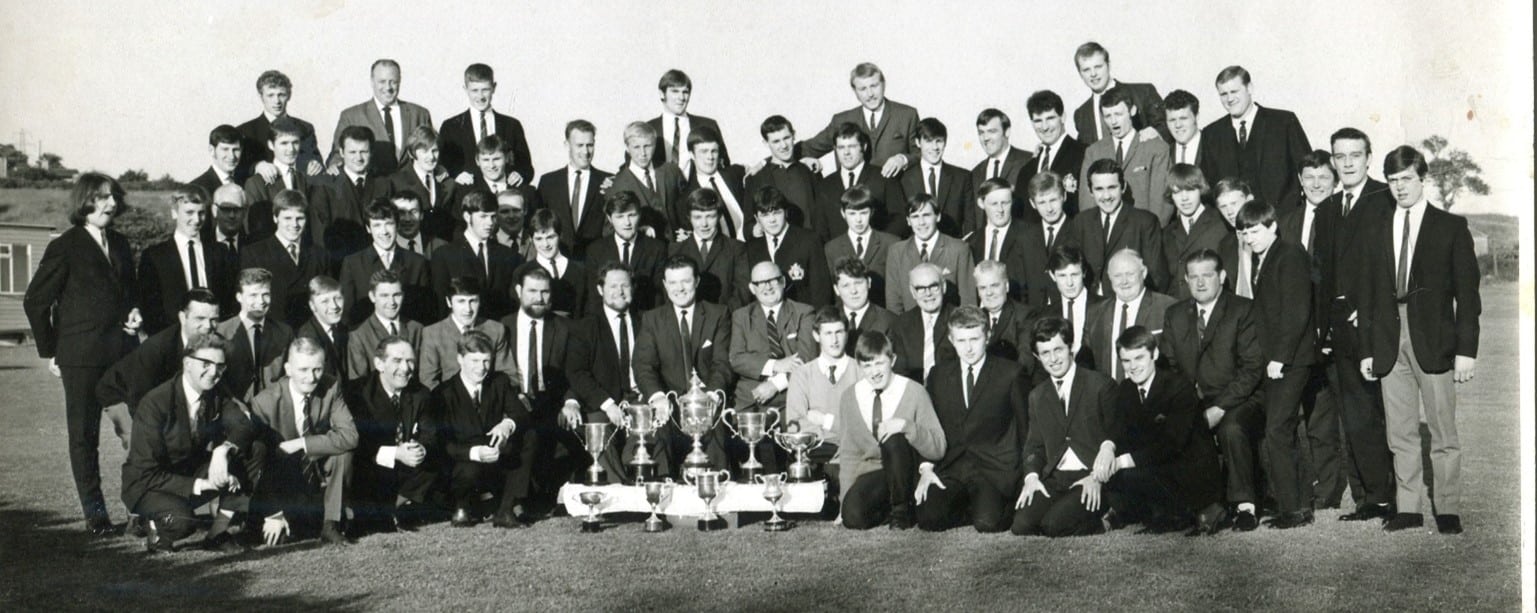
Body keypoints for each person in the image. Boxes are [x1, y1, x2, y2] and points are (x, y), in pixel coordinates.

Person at [1355, 146, 1480, 535]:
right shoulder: (1377, 228)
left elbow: (1468, 295)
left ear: (1421, 178)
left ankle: (1447, 507)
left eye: (1406, 179)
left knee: (1443, 430)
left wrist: (1466, 351)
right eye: (1392, 181)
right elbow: (1369, 294)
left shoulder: (1451, 227)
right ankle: (1408, 507)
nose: (1399, 188)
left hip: (1436, 339)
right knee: (1400, 430)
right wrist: (1366, 350)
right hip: (1389, 340)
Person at [23, 173, 141, 535]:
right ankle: (96, 517)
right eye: (102, 198)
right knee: (84, 438)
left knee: (137, 431)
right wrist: (52, 351)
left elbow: (129, 293)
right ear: (84, 202)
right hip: (80, 358)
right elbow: (35, 301)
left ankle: (141, 512)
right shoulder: (66, 245)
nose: (110, 204)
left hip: (121, 355)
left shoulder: (120, 243)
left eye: (113, 198)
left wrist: (134, 313)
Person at [1161, 249, 1265, 531]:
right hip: (1193, 400)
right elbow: (1168, 367)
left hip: (1239, 398)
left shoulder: (1243, 309)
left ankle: (1245, 506)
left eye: (1207, 275)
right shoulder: (1175, 314)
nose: (1200, 283)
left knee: (1231, 428)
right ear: (1186, 280)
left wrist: (1220, 408)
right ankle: (1193, 507)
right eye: (1193, 277)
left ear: (1221, 276)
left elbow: (1252, 368)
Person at [121, 333, 253, 553]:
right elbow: (147, 472)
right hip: (148, 485)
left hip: (187, 472)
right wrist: (203, 485)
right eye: (206, 364)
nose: (214, 372)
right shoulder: (156, 403)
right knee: (184, 522)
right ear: (187, 364)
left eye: (220, 366)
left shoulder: (216, 393)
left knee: (253, 450)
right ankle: (149, 523)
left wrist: (223, 450)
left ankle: (217, 534)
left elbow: (243, 425)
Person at [1326, 128, 1397, 522]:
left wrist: (1365, 308)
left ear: (1369, 157)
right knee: (1353, 413)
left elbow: (1389, 263)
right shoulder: (1331, 207)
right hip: (1339, 326)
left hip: (1371, 321)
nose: (1348, 163)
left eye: (1355, 155)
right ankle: (1369, 496)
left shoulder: (1384, 199)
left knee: (1377, 410)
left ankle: (1386, 494)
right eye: (1340, 156)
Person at [1235, 199, 1318, 529]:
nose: (1249, 238)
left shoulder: (1290, 255)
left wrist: (1280, 358)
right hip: (1280, 359)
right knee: (1281, 430)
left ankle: (1293, 510)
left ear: (1272, 227)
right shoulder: (1267, 257)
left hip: (1290, 359)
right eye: (1243, 232)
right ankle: (1294, 504)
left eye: (1254, 231)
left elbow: (1297, 311)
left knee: (1277, 430)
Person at [910, 306, 1028, 533]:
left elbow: (1025, 429)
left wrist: (1025, 477)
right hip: (952, 467)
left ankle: (986, 507)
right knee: (929, 519)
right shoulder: (938, 375)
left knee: (988, 523)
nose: (969, 347)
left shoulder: (1011, 373)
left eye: (975, 339)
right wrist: (926, 469)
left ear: (988, 336)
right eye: (961, 340)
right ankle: (970, 506)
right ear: (951, 340)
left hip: (993, 468)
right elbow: (929, 427)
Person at [1102, 326, 1226, 535]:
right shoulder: (1126, 389)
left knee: (1127, 474)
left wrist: (1121, 462)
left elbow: (1172, 444)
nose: (1133, 367)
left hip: (1190, 472)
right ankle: (1159, 512)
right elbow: (1118, 429)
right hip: (1157, 465)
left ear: (1155, 354)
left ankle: (1197, 510)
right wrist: (1107, 448)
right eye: (1126, 361)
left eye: (1139, 358)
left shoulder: (1178, 387)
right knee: (1116, 476)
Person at [237, 337, 357, 546]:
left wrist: (302, 443)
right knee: (281, 536)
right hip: (279, 480)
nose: (311, 377)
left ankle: (331, 524)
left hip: (314, 467)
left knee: (343, 454)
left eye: (317, 369)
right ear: (288, 369)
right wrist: (275, 513)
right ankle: (273, 520)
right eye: (303, 370)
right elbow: (262, 463)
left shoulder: (331, 387)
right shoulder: (264, 402)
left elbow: (350, 436)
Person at [1011, 316, 1118, 537]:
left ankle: (1110, 517)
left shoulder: (1100, 384)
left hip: (1092, 476)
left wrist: (1097, 476)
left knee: (1053, 525)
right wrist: (1031, 478)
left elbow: (1118, 434)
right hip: (1056, 477)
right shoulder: (1037, 396)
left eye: (1058, 350)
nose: (1053, 359)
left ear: (1072, 348)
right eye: (1045, 353)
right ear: (1036, 357)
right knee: (1021, 525)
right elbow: (1034, 445)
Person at [1282, 151, 1344, 508]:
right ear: (1301, 182)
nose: (1316, 183)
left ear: (1333, 181)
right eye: (1310, 177)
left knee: (1325, 418)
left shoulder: (1342, 219)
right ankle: (1296, 487)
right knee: (1295, 415)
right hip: (1296, 334)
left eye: (1323, 177)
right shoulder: (1287, 221)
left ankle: (1330, 490)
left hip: (1333, 333)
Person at [428, 330, 536, 528]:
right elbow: (441, 443)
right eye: (474, 361)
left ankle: (505, 509)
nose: (481, 368)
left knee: (529, 436)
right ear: (460, 359)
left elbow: (521, 414)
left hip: (494, 457)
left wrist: (507, 425)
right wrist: (475, 453)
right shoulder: (443, 393)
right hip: (463, 463)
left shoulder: (499, 382)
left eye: (486, 361)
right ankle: (462, 506)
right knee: (467, 470)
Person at [634, 256, 733, 471]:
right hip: (669, 404)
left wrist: (713, 395)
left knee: (716, 431)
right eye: (673, 283)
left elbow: (722, 362)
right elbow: (643, 365)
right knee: (659, 431)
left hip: (706, 402)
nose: (679, 288)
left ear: (696, 281)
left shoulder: (718, 314)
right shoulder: (652, 319)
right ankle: (660, 495)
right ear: (664, 285)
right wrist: (658, 397)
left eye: (685, 281)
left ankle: (716, 497)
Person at [839, 331, 946, 530]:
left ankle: (901, 512)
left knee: (894, 439)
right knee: (852, 518)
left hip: (906, 472)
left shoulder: (914, 391)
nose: (874, 372)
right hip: (875, 475)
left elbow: (938, 447)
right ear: (859, 366)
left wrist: (907, 426)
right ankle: (888, 507)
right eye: (867, 365)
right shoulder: (850, 396)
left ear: (893, 360)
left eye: (880, 363)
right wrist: (843, 500)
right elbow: (848, 453)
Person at [567, 262, 662, 480]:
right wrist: (608, 404)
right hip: (604, 402)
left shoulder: (648, 322)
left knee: (647, 440)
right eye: (612, 286)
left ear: (633, 289)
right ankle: (618, 493)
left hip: (641, 399)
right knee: (599, 432)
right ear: (600, 290)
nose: (619, 291)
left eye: (625, 286)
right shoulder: (585, 327)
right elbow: (577, 373)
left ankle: (645, 489)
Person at [502, 267, 586, 497]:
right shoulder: (502, 328)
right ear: (519, 291)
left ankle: (550, 494)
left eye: (545, 292)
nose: (539, 298)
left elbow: (574, 371)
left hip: (552, 402)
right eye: (532, 291)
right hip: (514, 402)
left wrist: (570, 401)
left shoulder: (565, 327)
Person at [342, 336, 436, 532]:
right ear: (379, 363)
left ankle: (395, 508)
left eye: (410, 361)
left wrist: (420, 449)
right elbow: (359, 441)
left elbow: (430, 433)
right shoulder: (357, 393)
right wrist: (396, 453)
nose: (405, 368)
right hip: (372, 465)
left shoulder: (421, 394)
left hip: (407, 470)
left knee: (438, 458)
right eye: (397, 361)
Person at [1200, 66, 1311, 216]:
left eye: (1234, 91)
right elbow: (1208, 186)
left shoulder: (1283, 122)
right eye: (1223, 94)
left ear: (1249, 88)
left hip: (1284, 222)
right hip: (1235, 230)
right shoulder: (1211, 133)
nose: (1229, 99)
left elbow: (1309, 169)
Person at [99, 289, 224, 420]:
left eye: (214, 319)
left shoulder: (216, 343)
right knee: (138, 437)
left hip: (159, 394)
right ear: (182, 318)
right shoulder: (157, 348)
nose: (208, 326)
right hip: (123, 392)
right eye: (200, 318)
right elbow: (141, 402)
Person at [729, 261, 818, 432]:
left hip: (793, 395)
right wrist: (776, 365)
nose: (767, 287)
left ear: (783, 282)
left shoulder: (804, 313)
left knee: (796, 444)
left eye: (772, 280)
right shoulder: (741, 316)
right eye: (760, 283)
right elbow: (737, 358)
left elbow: (807, 359)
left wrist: (775, 385)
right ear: (752, 288)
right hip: (752, 398)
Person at [138, 185, 235, 335]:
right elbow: (150, 310)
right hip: (173, 341)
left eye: (201, 213)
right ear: (174, 213)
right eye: (189, 212)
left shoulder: (220, 252)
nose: (196, 220)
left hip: (213, 338)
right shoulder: (155, 256)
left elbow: (229, 301)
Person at [796, 62, 920, 178]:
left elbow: (923, 153)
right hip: (853, 197)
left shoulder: (907, 115)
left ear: (884, 84)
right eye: (863, 89)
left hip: (895, 195)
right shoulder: (841, 120)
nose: (870, 94)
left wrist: (903, 159)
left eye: (874, 86)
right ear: (855, 91)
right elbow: (809, 148)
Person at [1064, 159, 1166, 295]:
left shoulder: (1145, 222)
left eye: (1112, 188)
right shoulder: (1081, 221)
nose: (1106, 196)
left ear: (1123, 187)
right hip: (1090, 305)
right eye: (1099, 189)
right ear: (1090, 191)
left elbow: (1156, 277)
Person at [783, 306, 865, 473]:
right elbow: (795, 424)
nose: (834, 340)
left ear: (847, 334)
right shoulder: (801, 374)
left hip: (854, 454)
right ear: (816, 336)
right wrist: (834, 434)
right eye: (828, 333)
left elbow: (864, 425)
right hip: (814, 454)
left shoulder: (861, 372)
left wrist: (824, 420)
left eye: (839, 332)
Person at [1080, 86, 1173, 224]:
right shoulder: (1093, 152)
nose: (1113, 122)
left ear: (1132, 111)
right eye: (1108, 116)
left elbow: (1161, 205)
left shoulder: (1156, 149)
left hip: (1143, 235)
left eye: (1118, 114)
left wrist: (1147, 236)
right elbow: (1087, 204)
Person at [1082, 249, 1176, 382]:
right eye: (1117, 276)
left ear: (1143, 273)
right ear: (1109, 277)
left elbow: (1177, 363)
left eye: (1130, 274)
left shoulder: (1168, 307)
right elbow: (1087, 362)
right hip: (1109, 398)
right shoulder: (1095, 312)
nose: (1124, 281)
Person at [429, 189, 523, 321]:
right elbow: (440, 305)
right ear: (467, 216)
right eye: (483, 216)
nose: (490, 223)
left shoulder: (509, 256)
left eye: (493, 217)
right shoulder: (444, 255)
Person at [327, 59, 433, 175]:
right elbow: (337, 154)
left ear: (400, 81)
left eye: (393, 81)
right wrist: (335, 165)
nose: (388, 87)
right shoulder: (351, 116)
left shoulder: (419, 114)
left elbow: (431, 150)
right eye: (382, 82)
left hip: (410, 189)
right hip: (371, 189)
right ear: (372, 82)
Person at [240, 189, 328, 327]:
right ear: (275, 218)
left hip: (309, 335)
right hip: (273, 335)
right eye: (287, 218)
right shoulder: (254, 254)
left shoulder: (319, 255)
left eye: (300, 218)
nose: (294, 225)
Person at [338, 200, 432, 326]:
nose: (384, 231)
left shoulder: (417, 262)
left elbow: (424, 314)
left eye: (389, 224)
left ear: (397, 225)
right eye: (377, 225)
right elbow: (347, 315)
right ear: (368, 228)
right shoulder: (352, 263)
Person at [438, 63, 534, 185]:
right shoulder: (451, 127)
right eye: (474, 90)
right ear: (465, 89)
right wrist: (456, 175)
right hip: (467, 195)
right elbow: (442, 166)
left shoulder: (511, 125)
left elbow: (526, 167)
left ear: (494, 87)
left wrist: (520, 174)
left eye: (485, 90)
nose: (480, 96)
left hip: (503, 196)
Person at [310, 126, 394, 262]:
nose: (358, 158)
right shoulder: (325, 185)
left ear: (371, 152)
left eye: (363, 152)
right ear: (342, 153)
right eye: (352, 152)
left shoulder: (383, 184)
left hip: (377, 263)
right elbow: (319, 234)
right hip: (339, 264)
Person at [811, 123, 906, 241]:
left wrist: (879, 247)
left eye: (851, 146)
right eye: (841, 148)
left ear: (864, 147)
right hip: (838, 257)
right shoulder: (825, 185)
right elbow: (820, 229)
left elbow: (899, 219)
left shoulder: (884, 177)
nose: (846, 153)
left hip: (877, 255)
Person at [885, 194, 977, 313]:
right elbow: (894, 303)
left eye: (926, 215)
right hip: (911, 327)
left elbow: (968, 301)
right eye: (915, 217)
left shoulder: (959, 249)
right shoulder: (896, 251)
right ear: (908, 221)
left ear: (937, 216)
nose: (921, 222)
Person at [743, 186, 832, 307]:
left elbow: (821, 293)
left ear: (786, 212)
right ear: (756, 218)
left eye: (776, 213)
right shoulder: (752, 248)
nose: (772, 220)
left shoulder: (809, 240)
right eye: (765, 215)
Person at [535, 120, 612, 257]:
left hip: (595, 260)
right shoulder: (548, 182)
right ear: (567, 145)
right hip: (558, 259)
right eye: (579, 145)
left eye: (590, 145)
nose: (586, 151)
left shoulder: (608, 181)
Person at [215, 268, 295, 401]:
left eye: (266, 294)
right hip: (234, 409)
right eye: (253, 295)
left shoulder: (285, 332)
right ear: (239, 297)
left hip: (274, 406)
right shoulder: (221, 332)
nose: (261, 301)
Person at [418, 276, 511, 388]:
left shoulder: (496, 330)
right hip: (450, 401)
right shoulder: (433, 333)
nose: (468, 309)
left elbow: (507, 374)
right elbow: (427, 380)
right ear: (449, 302)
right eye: (461, 301)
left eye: (473, 301)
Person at [235, 70, 324, 182]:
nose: (276, 101)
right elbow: (236, 169)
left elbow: (317, 162)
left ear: (289, 95)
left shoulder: (305, 128)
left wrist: (315, 164)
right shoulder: (245, 131)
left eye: (281, 95)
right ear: (261, 96)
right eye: (270, 95)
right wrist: (256, 166)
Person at [1071, 42, 1167, 144]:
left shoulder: (1142, 93)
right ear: (1080, 74)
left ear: (1108, 65)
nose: (1093, 74)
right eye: (1086, 70)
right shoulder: (1081, 114)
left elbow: (1168, 127)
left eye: (1098, 67)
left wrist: (1156, 132)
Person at [668, 188, 747, 310]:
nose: (704, 224)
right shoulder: (675, 250)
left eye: (710, 216)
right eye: (698, 217)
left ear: (719, 216)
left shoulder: (736, 248)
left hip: (726, 321)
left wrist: (721, 319)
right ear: (689, 218)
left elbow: (742, 293)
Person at [587, 191, 667, 311]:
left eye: (632, 215)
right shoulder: (596, 250)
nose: (627, 223)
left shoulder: (656, 249)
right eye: (620, 216)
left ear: (639, 215)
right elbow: (594, 298)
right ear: (609, 218)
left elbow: (659, 297)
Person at [1160, 164, 1229, 301]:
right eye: (1177, 192)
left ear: (1201, 190)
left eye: (1190, 190)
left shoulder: (1221, 222)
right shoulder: (1167, 233)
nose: (1184, 198)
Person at [609, 121, 686, 239]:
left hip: (678, 248)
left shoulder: (672, 171)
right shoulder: (617, 184)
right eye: (636, 147)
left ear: (654, 145)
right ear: (627, 148)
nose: (643, 153)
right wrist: (636, 232)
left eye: (647, 146)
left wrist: (687, 231)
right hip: (647, 252)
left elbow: (688, 208)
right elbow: (608, 230)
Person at [242, 118, 316, 242]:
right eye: (284, 143)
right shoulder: (256, 183)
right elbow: (254, 230)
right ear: (271, 145)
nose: (291, 149)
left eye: (295, 142)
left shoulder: (306, 177)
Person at [824, 185, 898, 306]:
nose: (858, 220)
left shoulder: (890, 243)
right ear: (843, 213)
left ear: (872, 212)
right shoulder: (831, 248)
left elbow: (896, 289)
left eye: (863, 213)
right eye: (852, 214)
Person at [346, 270, 424, 383]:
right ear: (372, 297)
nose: (392, 302)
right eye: (384, 296)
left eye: (396, 295)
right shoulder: (359, 335)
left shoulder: (417, 329)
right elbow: (358, 383)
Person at [646, 69, 730, 171]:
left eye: (685, 92)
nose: (681, 97)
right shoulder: (648, 128)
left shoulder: (708, 125)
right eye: (675, 91)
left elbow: (724, 165)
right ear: (662, 94)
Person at [1019, 90, 1087, 216]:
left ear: (1063, 117)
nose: (1045, 127)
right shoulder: (1027, 170)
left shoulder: (1084, 154)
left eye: (1050, 118)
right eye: (1038, 121)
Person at [900, 117, 971, 236]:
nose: (935, 147)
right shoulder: (903, 178)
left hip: (953, 248)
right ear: (917, 142)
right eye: (928, 141)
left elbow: (970, 223)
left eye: (939, 141)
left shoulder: (962, 177)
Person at [1035, 246, 1101, 371]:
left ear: (1084, 272)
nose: (1069, 283)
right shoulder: (1044, 314)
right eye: (1062, 276)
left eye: (1074, 274)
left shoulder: (1104, 307)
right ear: (1052, 275)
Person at [683, 126, 754, 240]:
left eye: (714, 151)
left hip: (751, 244)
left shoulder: (736, 173)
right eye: (704, 151)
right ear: (691, 154)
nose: (710, 157)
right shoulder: (688, 195)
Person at [889, 263, 956, 382]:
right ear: (912, 292)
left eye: (934, 286)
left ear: (943, 287)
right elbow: (900, 373)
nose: (928, 293)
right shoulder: (901, 324)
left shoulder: (958, 319)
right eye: (920, 289)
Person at [966, 179, 1031, 303]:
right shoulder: (971, 241)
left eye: (1005, 203)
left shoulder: (1029, 234)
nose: (1000, 210)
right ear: (981, 203)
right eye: (994, 204)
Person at [745, 115, 817, 225]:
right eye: (776, 141)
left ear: (794, 135)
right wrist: (756, 230)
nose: (783, 145)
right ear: (766, 143)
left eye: (786, 138)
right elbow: (748, 226)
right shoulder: (755, 178)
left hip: (813, 241)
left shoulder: (809, 170)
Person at [390, 126, 458, 242]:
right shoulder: (395, 181)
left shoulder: (446, 182)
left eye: (434, 151)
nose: (431, 157)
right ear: (412, 153)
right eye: (424, 151)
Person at [967, 108, 1030, 233]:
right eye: (981, 132)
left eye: (992, 131)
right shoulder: (975, 173)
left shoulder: (1028, 162)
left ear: (1007, 132)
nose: (985, 138)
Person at [1019, 172, 1074, 309]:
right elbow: (1022, 286)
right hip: (1035, 314)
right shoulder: (1025, 237)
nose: (1049, 209)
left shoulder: (1078, 230)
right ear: (1032, 203)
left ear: (1064, 196)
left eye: (1053, 200)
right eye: (1042, 202)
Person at [522, 209, 589, 318]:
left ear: (560, 235)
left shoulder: (580, 270)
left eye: (550, 237)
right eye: (539, 239)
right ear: (531, 240)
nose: (546, 244)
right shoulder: (523, 272)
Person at [973, 260, 1033, 371]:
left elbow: (1025, 364)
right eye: (983, 288)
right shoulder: (975, 318)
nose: (989, 293)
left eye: (994, 286)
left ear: (1006, 286)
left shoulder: (1025, 315)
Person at [294, 276, 349, 378]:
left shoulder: (342, 328)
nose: (334, 306)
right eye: (325, 301)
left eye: (338, 298)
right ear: (312, 306)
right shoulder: (307, 337)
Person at [1213, 177, 1256, 297]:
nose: (1229, 212)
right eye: (1223, 207)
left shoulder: (1268, 236)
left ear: (1250, 200)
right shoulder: (1225, 244)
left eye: (1234, 203)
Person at [833, 257, 897, 339]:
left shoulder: (889, 321)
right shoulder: (828, 320)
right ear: (836, 289)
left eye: (858, 283)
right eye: (846, 285)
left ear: (869, 283)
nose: (853, 291)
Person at [391, 191, 448, 259]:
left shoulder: (439, 246)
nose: (407, 219)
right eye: (401, 213)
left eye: (413, 212)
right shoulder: (385, 248)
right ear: (392, 216)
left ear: (421, 215)